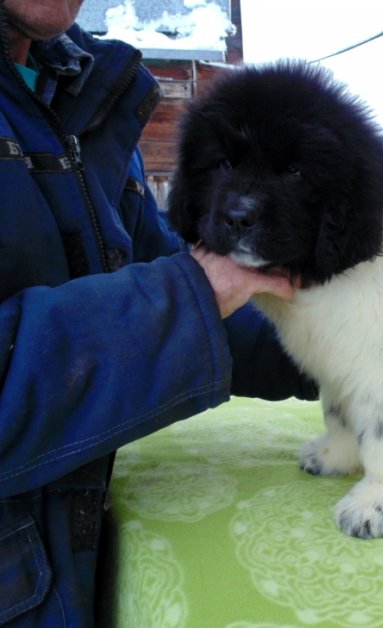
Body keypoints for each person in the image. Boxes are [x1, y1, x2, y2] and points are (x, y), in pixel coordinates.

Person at [0, 1, 316, 625]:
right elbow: (191, 291)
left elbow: (179, 278)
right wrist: (195, 292)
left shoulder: (84, 91)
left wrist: (340, 344)